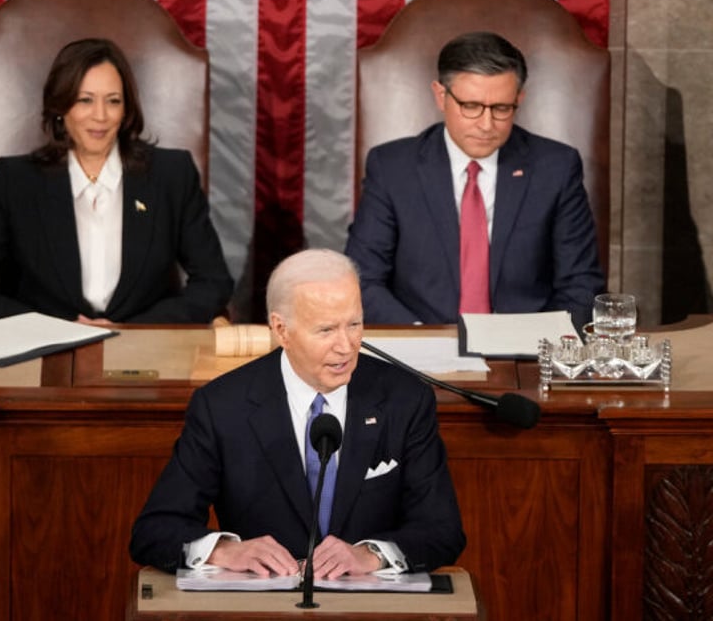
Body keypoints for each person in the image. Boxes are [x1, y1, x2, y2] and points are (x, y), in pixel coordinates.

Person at [129, 248, 465, 579]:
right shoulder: (222, 407)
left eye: (354, 324)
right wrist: (225, 551)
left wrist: (371, 554)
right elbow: (154, 531)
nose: (346, 346)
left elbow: (442, 530)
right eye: (326, 330)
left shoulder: (405, 399)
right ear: (281, 330)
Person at [0, 38, 233, 324]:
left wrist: (137, 331)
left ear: (126, 109)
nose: (101, 116)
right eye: (85, 100)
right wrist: (47, 328)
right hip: (43, 354)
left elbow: (214, 282)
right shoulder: (17, 182)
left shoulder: (171, 174)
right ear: (60, 109)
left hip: (143, 354)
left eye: (113, 101)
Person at [345, 31, 605, 330]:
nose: (486, 125)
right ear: (441, 96)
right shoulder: (392, 168)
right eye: (471, 106)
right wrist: (422, 339)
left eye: (501, 109)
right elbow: (362, 278)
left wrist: (533, 342)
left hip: (524, 353)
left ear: (519, 99)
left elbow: (581, 282)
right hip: (420, 347)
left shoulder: (555, 167)